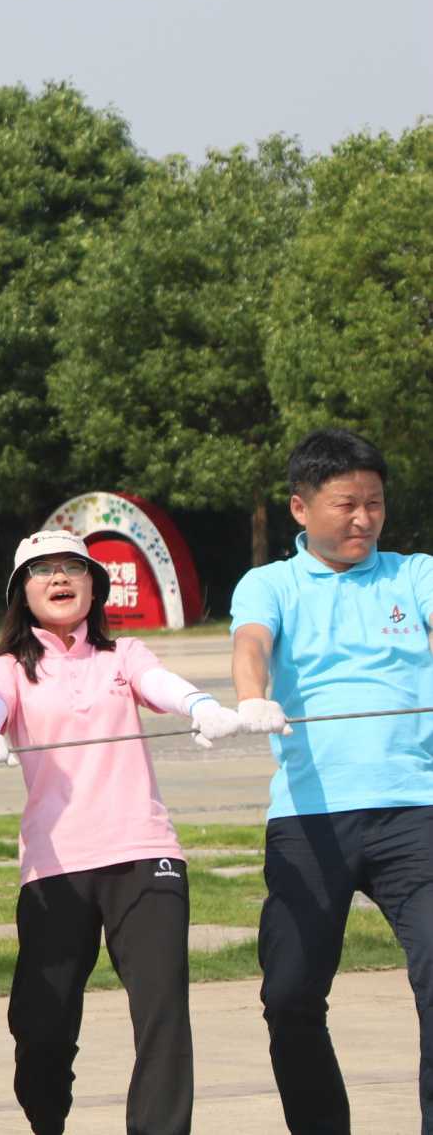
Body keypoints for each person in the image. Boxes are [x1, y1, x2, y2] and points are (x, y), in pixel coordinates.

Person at [0, 529, 242, 1135]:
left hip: (144, 851)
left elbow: (161, 684)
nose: (60, 578)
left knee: (163, 1012)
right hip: (55, 866)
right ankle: (47, 1121)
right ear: (21, 592)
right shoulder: (7, 668)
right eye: (43, 570)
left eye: (73, 567)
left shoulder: (124, 655)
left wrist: (201, 705)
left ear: (94, 586)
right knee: (41, 1026)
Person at [229, 427, 433, 1132]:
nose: (364, 519)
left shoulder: (414, 575)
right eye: (347, 504)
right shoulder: (271, 583)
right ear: (300, 507)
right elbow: (251, 642)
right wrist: (251, 697)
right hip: (310, 816)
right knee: (289, 995)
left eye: (375, 503)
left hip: (416, 809)